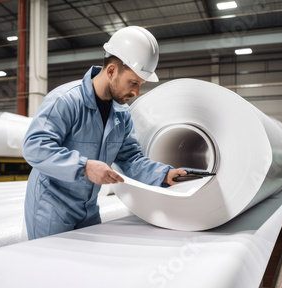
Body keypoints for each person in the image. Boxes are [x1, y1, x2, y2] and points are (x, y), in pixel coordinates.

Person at [23, 26, 186, 240]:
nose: (136, 92)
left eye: (140, 84)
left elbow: (129, 158)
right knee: (52, 268)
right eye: (133, 82)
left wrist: (163, 174)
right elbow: (35, 148)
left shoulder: (121, 113)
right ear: (111, 71)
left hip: (88, 208)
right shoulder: (65, 100)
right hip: (51, 207)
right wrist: (85, 167)